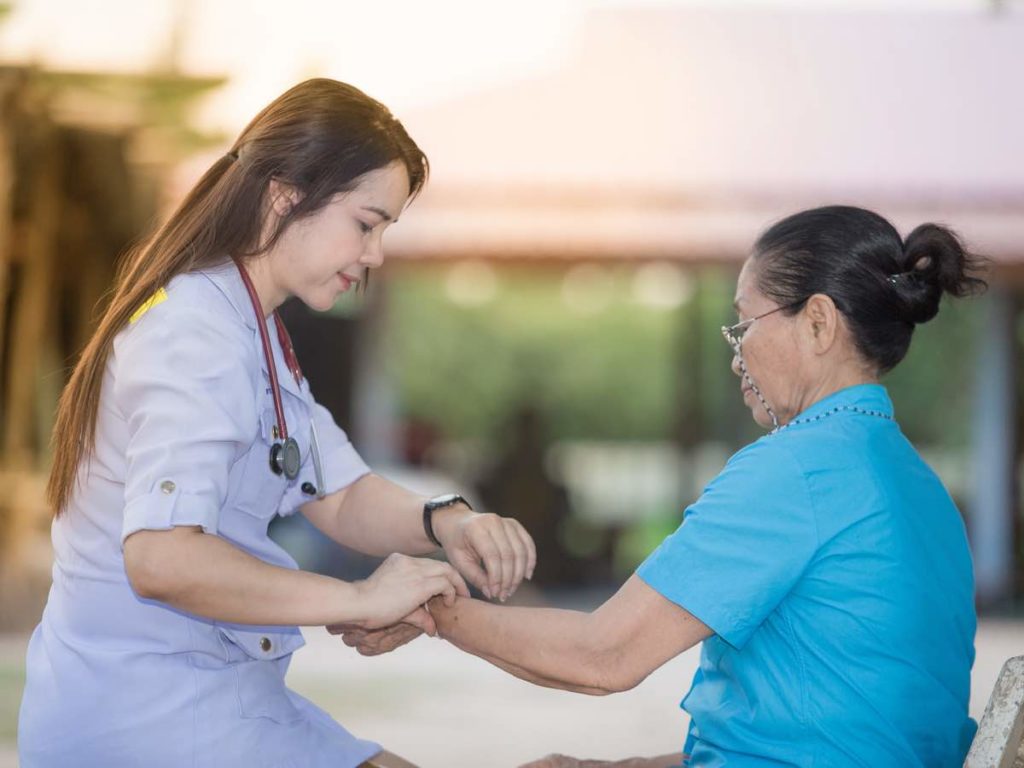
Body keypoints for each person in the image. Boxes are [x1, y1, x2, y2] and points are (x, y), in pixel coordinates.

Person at [343, 205, 983, 767]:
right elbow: (843, 725)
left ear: (817, 323)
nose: (737, 354)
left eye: (744, 324)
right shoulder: (924, 491)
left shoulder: (793, 470)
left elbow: (604, 657)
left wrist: (431, 609)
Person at [18, 78, 536, 768]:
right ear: (285, 195)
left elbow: (341, 493)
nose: (376, 255)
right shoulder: (193, 334)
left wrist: (451, 522)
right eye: (366, 222)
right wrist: (357, 598)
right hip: (148, 718)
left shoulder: (254, 333)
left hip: (218, 696)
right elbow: (163, 559)